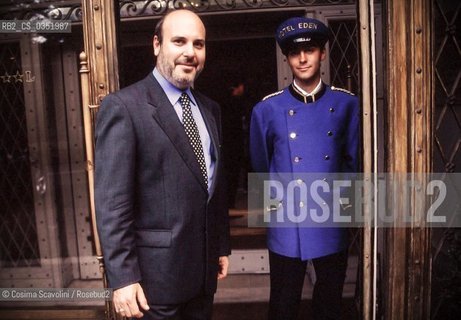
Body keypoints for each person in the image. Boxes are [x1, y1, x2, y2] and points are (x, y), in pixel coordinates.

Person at [95, 9, 230, 320]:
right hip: (153, 287)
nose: (190, 52)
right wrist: (124, 278)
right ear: (156, 44)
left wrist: (220, 245)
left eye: (199, 44)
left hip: (201, 278)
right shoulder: (124, 108)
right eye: (179, 41)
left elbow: (211, 184)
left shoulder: (211, 110)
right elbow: (112, 204)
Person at [249, 17, 359, 320]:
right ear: (286, 58)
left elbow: (352, 163)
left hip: (329, 219)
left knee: (329, 302)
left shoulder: (347, 104)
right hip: (287, 222)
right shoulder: (267, 109)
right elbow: (260, 166)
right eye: (294, 53)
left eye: (309, 50)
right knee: (283, 303)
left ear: (322, 54)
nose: (302, 58)